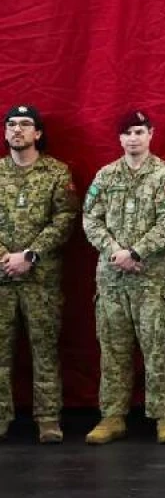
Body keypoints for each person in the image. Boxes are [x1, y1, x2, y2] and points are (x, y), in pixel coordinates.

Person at [82, 111, 165, 445]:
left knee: (157, 348)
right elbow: (90, 219)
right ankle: (112, 417)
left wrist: (136, 252)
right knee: (113, 349)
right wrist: (115, 251)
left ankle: (164, 416)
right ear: (119, 138)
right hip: (112, 281)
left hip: (151, 279)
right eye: (126, 133)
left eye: (139, 131)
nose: (133, 139)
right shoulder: (106, 176)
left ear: (151, 134)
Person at [0, 105, 78, 444]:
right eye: (12, 124)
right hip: (1, 277)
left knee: (45, 349)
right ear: (5, 133)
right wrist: (6, 257)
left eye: (26, 124)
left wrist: (29, 255)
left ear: (38, 133)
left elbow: (64, 220)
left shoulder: (57, 173)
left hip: (41, 278)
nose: (18, 130)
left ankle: (48, 419)